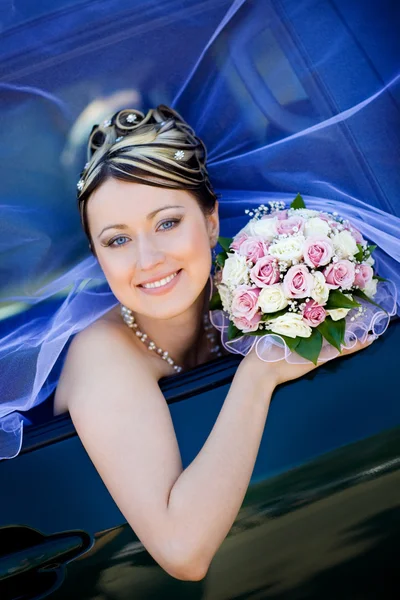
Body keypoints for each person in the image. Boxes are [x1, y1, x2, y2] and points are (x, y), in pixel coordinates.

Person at [53, 104, 375, 581]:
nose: (148, 259)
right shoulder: (100, 357)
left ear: (209, 221)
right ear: (97, 255)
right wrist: (260, 372)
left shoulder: (265, 281)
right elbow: (183, 552)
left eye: (166, 223)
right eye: (117, 241)